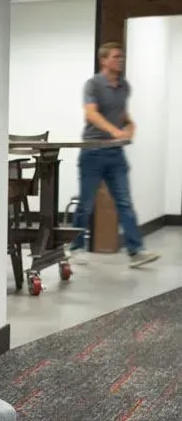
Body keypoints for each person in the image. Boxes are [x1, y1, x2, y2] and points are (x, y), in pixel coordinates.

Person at [70, 41, 158, 268]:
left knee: (124, 201)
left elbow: (123, 115)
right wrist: (114, 131)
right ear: (104, 60)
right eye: (116, 56)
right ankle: (76, 247)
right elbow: (91, 114)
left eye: (122, 57)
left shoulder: (124, 86)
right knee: (86, 203)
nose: (120, 60)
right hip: (93, 151)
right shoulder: (93, 85)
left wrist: (130, 127)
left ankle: (136, 251)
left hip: (115, 154)